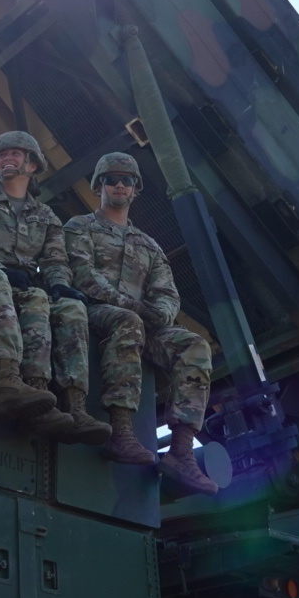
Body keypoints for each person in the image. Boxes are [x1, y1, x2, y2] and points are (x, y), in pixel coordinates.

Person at [63, 152, 218, 495]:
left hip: (140, 323)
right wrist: (131, 305)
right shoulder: (79, 228)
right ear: (98, 186)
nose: (119, 185)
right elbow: (82, 275)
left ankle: (181, 450)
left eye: (127, 180)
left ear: (135, 190)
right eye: (111, 179)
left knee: (194, 345)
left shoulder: (148, 245)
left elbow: (166, 293)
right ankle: (121, 431)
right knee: (128, 320)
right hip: (93, 314)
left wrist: (161, 313)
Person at [0, 131, 110, 445]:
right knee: (3, 283)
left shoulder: (45, 216)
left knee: (66, 306)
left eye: (14, 154)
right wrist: (0, 269)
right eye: (0, 155)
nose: (5, 160)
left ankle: (65, 404)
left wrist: (61, 285)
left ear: (33, 165)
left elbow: (54, 259)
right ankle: (7, 382)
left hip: (23, 285)